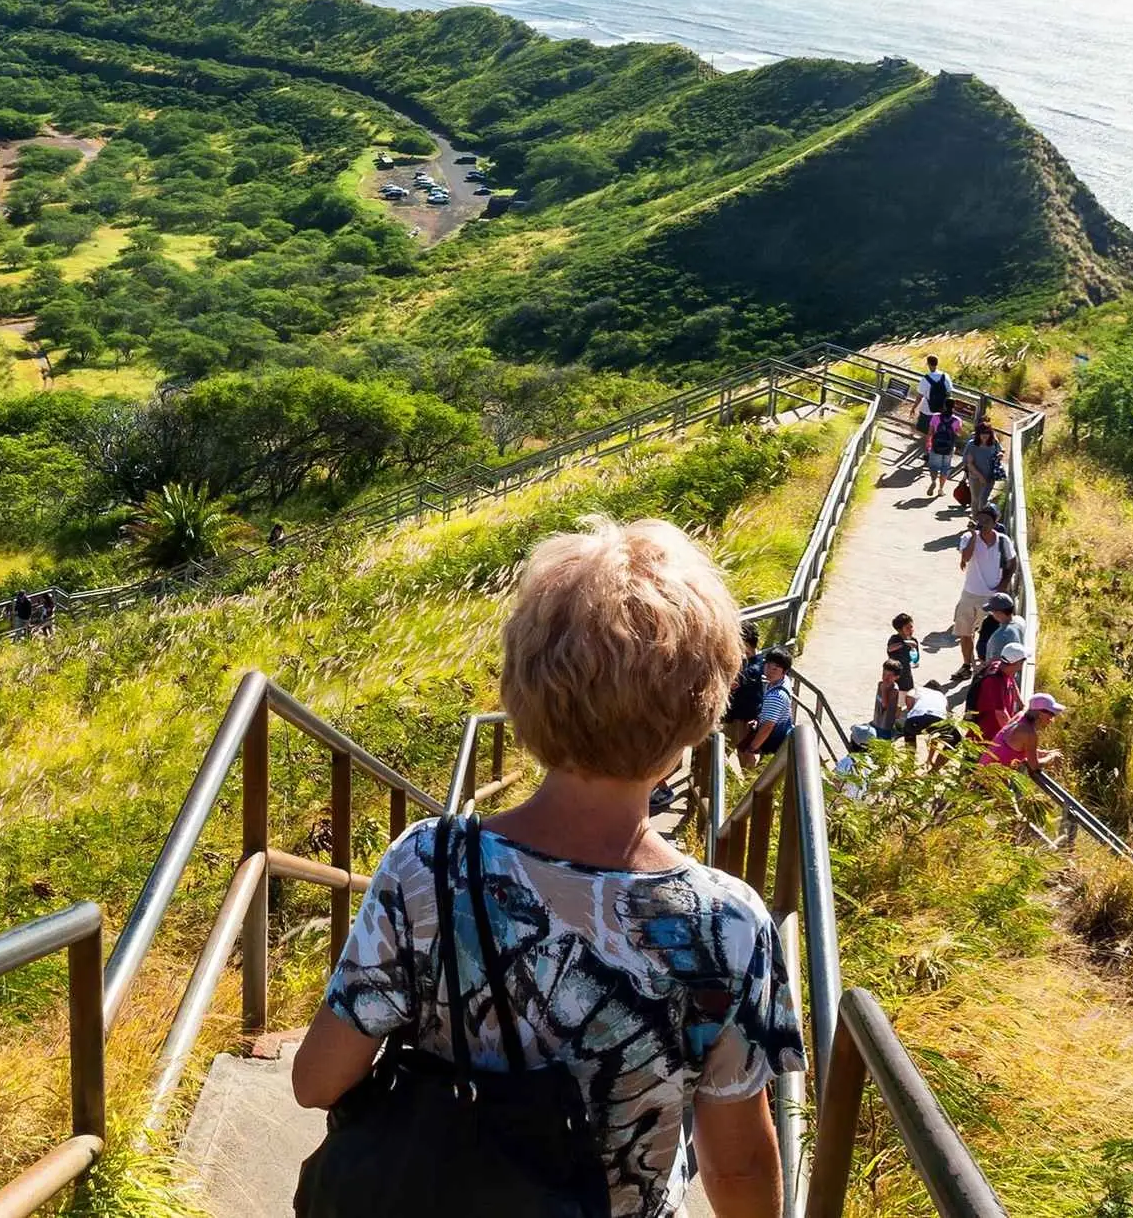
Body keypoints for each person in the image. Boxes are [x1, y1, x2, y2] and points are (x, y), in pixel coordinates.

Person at [294, 517, 798, 1218]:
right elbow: (739, 1164)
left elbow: (317, 1080)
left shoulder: (427, 863)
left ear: (522, 690)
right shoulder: (730, 925)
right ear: (697, 717)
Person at [952, 506, 1017, 672]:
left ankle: (986, 666)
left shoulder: (1003, 541)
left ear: (995, 522)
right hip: (970, 593)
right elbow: (965, 558)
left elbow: (1012, 563)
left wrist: (1003, 584)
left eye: (987, 520)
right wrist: (974, 536)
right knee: (965, 632)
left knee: (989, 635)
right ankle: (967, 665)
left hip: (993, 597)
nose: (982, 524)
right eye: (980, 519)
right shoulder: (968, 537)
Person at [981, 692, 1065, 773]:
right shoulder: (1029, 733)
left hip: (981, 771)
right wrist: (1051, 757)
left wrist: (1045, 753)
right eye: (1051, 714)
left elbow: (1020, 748)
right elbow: (1034, 766)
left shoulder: (1020, 716)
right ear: (1039, 713)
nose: (1052, 719)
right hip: (989, 780)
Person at [741, 649, 794, 769]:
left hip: (773, 743)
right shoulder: (781, 682)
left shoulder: (776, 695)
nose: (769, 671)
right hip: (779, 738)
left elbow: (768, 726)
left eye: (775, 669)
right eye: (768, 665)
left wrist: (752, 749)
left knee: (757, 773)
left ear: (784, 671)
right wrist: (759, 719)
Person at [965, 642, 1023, 743]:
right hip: (987, 734)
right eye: (1022, 661)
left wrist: (1021, 703)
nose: (1023, 664)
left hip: (996, 731)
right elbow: (1001, 714)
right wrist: (1014, 736)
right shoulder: (994, 681)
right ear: (1016, 663)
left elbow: (1012, 682)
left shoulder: (1001, 666)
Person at [962, 416, 1006, 520]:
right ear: (978, 434)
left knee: (983, 500)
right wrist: (980, 476)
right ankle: (975, 520)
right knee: (975, 499)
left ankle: (981, 521)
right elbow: (969, 463)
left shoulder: (993, 443)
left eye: (987, 433)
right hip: (975, 477)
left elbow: (1000, 451)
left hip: (990, 476)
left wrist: (1000, 455)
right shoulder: (972, 445)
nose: (984, 436)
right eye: (982, 433)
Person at [923, 405, 963, 499]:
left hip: (936, 446)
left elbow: (930, 432)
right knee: (945, 468)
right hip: (949, 448)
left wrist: (928, 443)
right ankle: (941, 489)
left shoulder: (936, 416)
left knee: (933, 466)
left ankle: (933, 481)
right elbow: (959, 433)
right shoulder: (957, 420)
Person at [873, 659, 913, 738]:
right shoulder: (880, 684)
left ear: (896, 677)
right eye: (884, 674)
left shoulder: (894, 689)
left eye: (889, 676)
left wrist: (884, 690)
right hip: (877, 719)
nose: (885, 678)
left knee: (882, 741)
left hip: (885, 724)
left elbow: (885, 705)